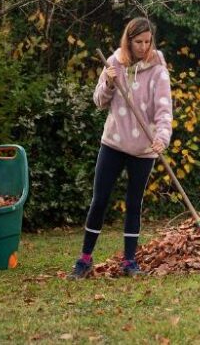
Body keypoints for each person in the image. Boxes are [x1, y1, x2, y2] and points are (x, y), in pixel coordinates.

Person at [68, 17, 174, 279]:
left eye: (148, 41)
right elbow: (98, 101)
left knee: (133, 203)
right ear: (128, 40)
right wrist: (110, 83)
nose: (143, 47)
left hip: (144, 148)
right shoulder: (113, 63)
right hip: (113, 143)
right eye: (138, 42)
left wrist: (162, 137)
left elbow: (164, 110)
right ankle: (84, 259)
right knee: (100, 200)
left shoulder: (158, 70)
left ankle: (129, 262)